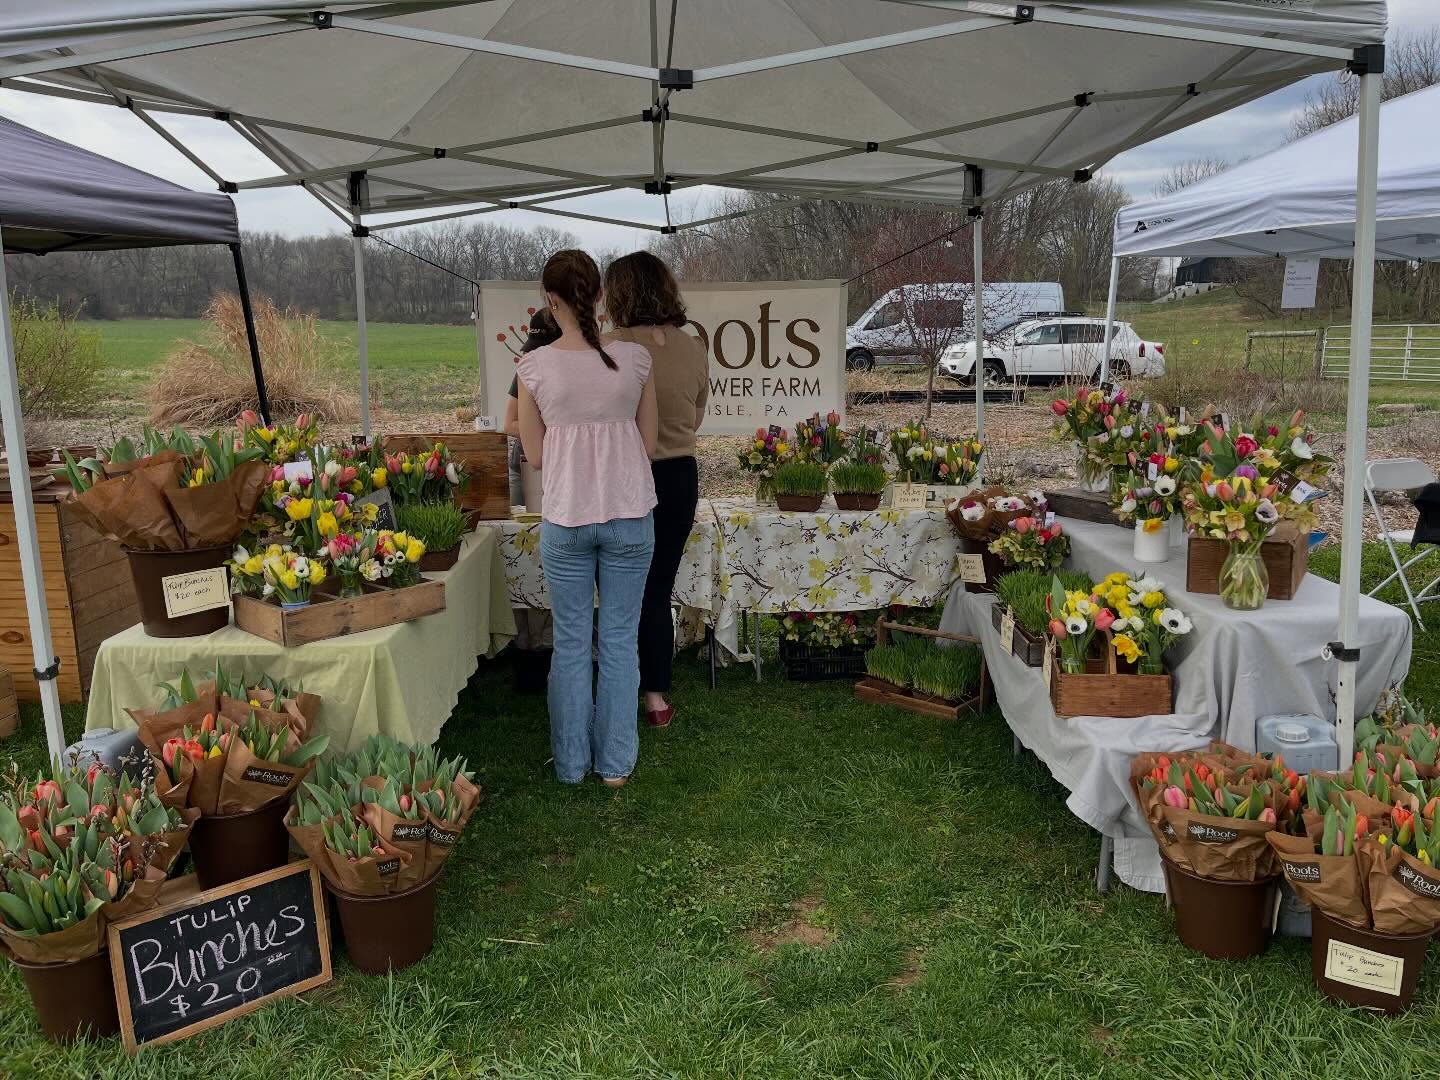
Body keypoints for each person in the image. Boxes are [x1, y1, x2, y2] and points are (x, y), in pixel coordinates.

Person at [517, 250, 658, 787]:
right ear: (598, 295)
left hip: (567, 517)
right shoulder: (635, 359)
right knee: (620, 639)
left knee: (572, 641)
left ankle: (573, 765)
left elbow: (534, 454)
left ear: (550, 301)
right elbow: (648, 443)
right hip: (628, 513)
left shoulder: (534, 367)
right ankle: (616, 766)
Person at [604, 252, 708, 729]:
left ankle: (618, 688)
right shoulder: (692, 347)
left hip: (629, 476)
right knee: (658, 586)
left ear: (618, 293)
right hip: (680, 475)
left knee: (623, 588)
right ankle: (656, 694)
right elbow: (696, 417)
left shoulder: (612, 347)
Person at [505, 308, 559, 509]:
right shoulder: (526, 372)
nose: (533, 354)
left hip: (563, 473)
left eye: (540, 348)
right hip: (524, 470)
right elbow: (509, 423)